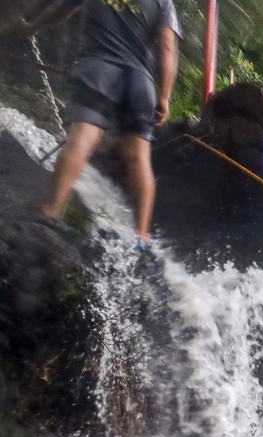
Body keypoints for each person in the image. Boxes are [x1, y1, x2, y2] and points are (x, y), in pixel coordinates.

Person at [20, 0, 181, 251]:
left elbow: (61, 9)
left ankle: (50, 213)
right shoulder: (164, 3)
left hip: (98, 71)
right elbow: (167, 48)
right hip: (139, 83)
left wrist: (33, 26)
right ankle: (140, 238)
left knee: (81, 141)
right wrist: (165, 96)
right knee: (139, 158)